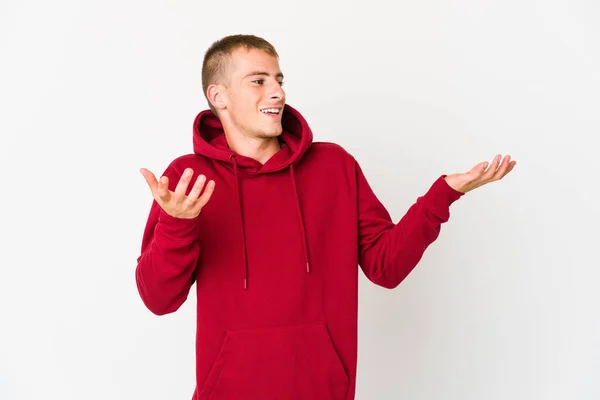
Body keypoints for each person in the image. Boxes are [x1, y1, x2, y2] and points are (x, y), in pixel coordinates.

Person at [135, 34, 516, 400]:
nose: (277, 92)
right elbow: (158, 299)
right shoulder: (189, 180)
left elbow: (387, 267)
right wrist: (177, 224)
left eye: (279, 80)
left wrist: (444, 194)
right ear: (219, 96)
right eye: (258, 81)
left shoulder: (333, 167)